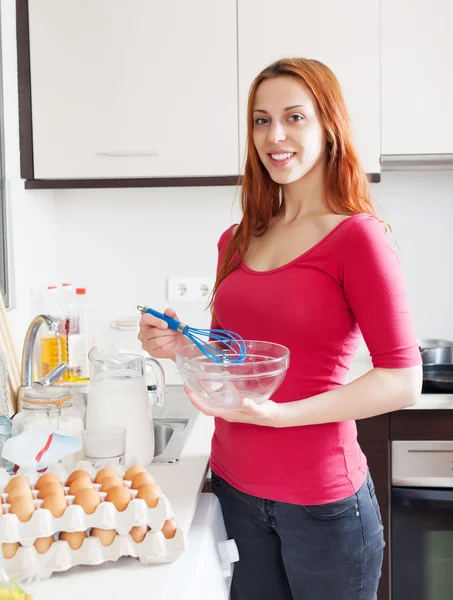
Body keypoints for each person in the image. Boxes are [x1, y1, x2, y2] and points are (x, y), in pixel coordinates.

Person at [138, 58, 422, 600]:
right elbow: (231, 360)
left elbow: (403, 379)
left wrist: (281, 416)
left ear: (328, 127)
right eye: (262, 120)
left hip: (323, 505)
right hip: (233, 489)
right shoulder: (238, 238)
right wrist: (179, 348)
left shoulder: (358, 238)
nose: (276, 135)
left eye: (294, 117)